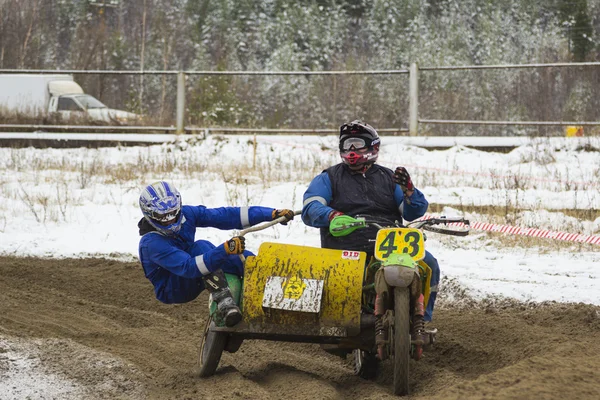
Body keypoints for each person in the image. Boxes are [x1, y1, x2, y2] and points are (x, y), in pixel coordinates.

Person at [301, 120, 440, 325]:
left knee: (428, 264)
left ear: (372, 146)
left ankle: (422, 320)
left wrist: (409, 191)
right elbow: (310, 206)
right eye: (346, 144)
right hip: (346, 244)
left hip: (389, 244)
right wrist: (332, 216)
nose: (351, 150)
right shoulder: (328, 178)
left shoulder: (389, 178)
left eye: (356, 143)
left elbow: (412, 213)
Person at [137, 180, 294, 327]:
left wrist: (270, 214)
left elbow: (224, 216)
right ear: (150, 215)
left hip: (195, 266)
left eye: (173, 213)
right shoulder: (151, 243)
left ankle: (278, 289)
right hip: (173, 287)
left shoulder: (187, 214)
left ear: (179, 207)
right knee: (202, 247)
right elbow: (188, 267)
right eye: (163, 217)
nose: (170, 220)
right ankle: (225, 302)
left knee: (245, 259)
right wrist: (224, 249)